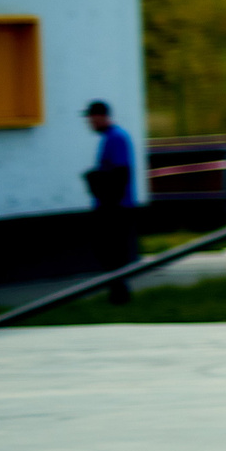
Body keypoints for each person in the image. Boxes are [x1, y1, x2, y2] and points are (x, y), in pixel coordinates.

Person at [82, 99, 136, 303]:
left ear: (101, 116)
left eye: (91, 118)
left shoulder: (116, 138)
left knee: (112, 251)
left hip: (115, 206)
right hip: (112, 204)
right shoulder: (110, 138)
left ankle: (120, 293)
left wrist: (100, 186)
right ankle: (118, 292)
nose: (89, 123)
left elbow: (121, 173)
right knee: (107, 251)